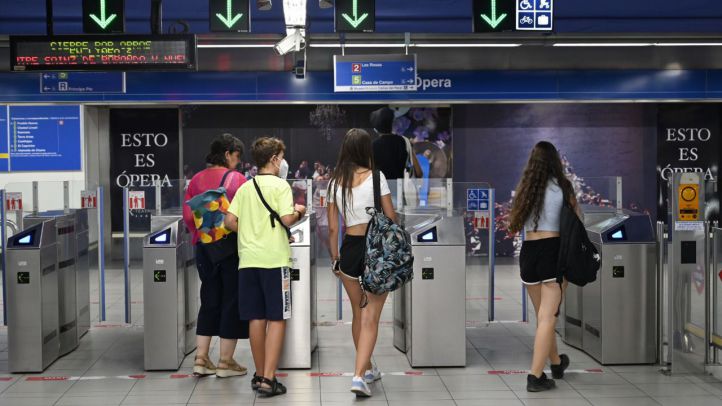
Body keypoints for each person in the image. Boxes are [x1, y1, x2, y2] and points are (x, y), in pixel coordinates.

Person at [224, 137, 306, 397]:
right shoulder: (281, 186)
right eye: (280, 157)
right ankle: (269, 379)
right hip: (274, 260)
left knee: (256, 318)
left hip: (248, 260)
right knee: (277, 318)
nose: (282, 161)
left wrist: (251, 232)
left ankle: (259, 375)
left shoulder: (246, 187)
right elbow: (287, 218)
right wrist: (300, 211)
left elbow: (229, 221)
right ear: (273, 159)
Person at [327, 128, 397, 397]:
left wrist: (335, 258)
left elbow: (333, 228)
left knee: (358, 313)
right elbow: (390, 218)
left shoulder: (334, 182)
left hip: (349, 250)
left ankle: (367, 368)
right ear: (367, 149)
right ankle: (358, 376)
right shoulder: (377, 177)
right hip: (375, 250)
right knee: (371, 317)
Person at [509, 141, 575, 392]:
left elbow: (514, 224)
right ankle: (535, 377)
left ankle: (556, 363)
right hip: (552, 251)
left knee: (543, 317)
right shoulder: (563, 186)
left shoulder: (526, 188)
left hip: (529, 252)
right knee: (548, 317)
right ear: (555, 161)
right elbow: (576, 220)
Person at [182, 134, 249, 378]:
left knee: (209, 299)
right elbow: (246, 215)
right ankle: (225, 362)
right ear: (228, 153)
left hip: (204, 248)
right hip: (231, 248)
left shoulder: (196, 179)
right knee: (231, 300)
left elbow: (188, 217)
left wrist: (203, 236)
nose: (238, 162)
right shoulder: (237, 179)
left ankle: (200, 359)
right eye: (237, 156)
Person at [369, 107, 422, 180]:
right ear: (393, 123)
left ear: (376, 127)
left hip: (380, 186)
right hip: (399, 186)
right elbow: (419, 173)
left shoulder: (372, 146)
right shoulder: (404, 142)